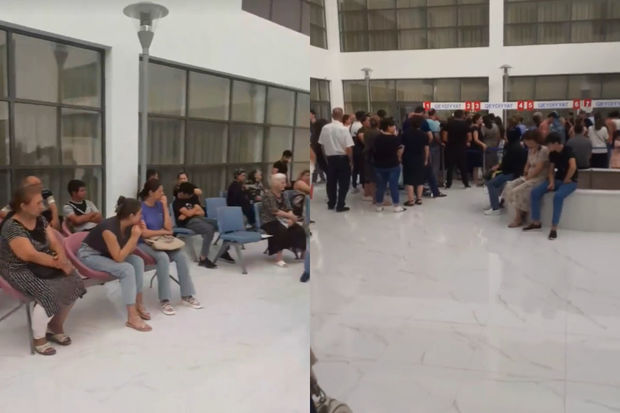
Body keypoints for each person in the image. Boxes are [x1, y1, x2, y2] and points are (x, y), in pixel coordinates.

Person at [0, 184, 86, 355]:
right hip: (17, 268)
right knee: (48, 292)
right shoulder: (12, 227)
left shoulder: (40, 219)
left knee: (74, 280)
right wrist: (59, 264)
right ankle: (39, 339)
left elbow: (54, 242)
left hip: (43, 261)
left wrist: (62, 258)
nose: (43, 206)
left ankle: (55, 326)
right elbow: (29, 255)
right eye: (38, 203)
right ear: (23, 206)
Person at [78, 196, 151, 332]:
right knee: (127, 269)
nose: (142, 216)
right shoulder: (109, 229)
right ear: (131, 216)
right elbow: (119, 258)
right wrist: (135, 237)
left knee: (138, 261)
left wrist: (137, 235)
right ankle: (132, 317)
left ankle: (138, 303)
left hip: (106, 252)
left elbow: (130, 251)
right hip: (89, 254)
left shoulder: (129, 225)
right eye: (140, 213)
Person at [138, 179, 202, 315]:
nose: (163, 194)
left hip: (161, 241)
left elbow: (169, 228)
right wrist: (163, 231)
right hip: (144, 243)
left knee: (181, 256)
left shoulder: (160, 205)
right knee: (163, 258)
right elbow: (144, 233)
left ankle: (187, 295)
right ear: (151, 192)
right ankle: (165, 300)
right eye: (160, 191)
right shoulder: (140, 208)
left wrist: (165, 207)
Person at [525, 132, 578, 240]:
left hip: (570, 181)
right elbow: (551, 170)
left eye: (549, 145)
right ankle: (536, 221)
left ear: (556, 143)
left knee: (558, 196)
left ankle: (554, 227)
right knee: (535, 192)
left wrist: (567, 178)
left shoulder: (568, 150)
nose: (547, 147)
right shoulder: (552, 154)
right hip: (557, 179)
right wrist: (551, 182)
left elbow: (573, 167)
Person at [173, 182, 233, 267]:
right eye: (189, 195)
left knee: (224, 224)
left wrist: (188, 213)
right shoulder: (177, 202)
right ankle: (203, 259)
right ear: (183, 193)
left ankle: (224, 251)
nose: (191, 196)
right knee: (209, 229)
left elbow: (202, 212)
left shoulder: (192, 197)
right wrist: (195, 209)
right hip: (188, 223)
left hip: (199, 218)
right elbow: (190, 214)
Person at [502, 129, 550, 228]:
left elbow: (539, 168)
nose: (527, 143)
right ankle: (520, 212)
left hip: (539, 178)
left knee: (518, 190)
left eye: (529, 141)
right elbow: (528, 163)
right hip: (528, 176)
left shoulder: (544, 150)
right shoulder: (530, 150)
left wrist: (528, 177)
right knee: (509, 185)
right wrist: (525, 172)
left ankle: (518, 218)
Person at [260, 173, 306, 267]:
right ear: (275, 183)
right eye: (282, 183)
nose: (285, 185)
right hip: (269, 221)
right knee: (280, 230)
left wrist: (292, 220)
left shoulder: (283, 194)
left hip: (283, 220)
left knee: (299, 229)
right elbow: (275, 211)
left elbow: (289, 208)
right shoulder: (268, 195)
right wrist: (291, 217)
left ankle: (302, 254)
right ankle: (279, 258)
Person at [484, 126, 527, 215]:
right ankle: (497, 202)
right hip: (509, 171)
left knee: (491, 184)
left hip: (512, 173)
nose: (504, 136)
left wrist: (497, 168)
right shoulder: (512, 145)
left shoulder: (514, 148)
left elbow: (508, 163)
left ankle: (495, 208)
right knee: (491, 180)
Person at [318, 107, 354, 212]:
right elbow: (348, 147)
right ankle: (340, 204)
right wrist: (351, 161)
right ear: (342, 116)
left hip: (330, 159)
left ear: (332, 115)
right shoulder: (344, 129)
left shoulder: (325, 128)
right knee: (344, 183)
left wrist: (326, 158)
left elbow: (322, 145)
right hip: (342, 159)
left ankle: (331, 203)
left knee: (331, 182)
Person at [371, 117, 406, 213]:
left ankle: (379, 205)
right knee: (393, 185)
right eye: (392, 125)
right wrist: (399, 158)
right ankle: (396, 206)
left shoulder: (377, 138)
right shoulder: (394, 139)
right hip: (393, 165)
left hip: (379, 165)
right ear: (388, 127)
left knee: (380, 186)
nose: (394, 127)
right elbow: (399, 150)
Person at [401, 116, 429, 206]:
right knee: (420, 179)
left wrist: (399, 157)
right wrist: (426, 159)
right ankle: (419, 199)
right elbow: (426, 148)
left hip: (408, 158)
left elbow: (402, 147)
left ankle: (411, 200)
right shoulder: (424, 134)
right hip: (420, 158)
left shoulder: (405, 134)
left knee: (409, 179)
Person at [445, 110, 471, 189]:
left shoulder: (449, 124)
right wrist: (466, 142)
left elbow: (445, 136)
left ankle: (448, 184)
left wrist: (448, 142)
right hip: (461, 147)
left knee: (450, 166)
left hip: (451, 147)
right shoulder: (465, 124)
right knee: (463, 166)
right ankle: (466, 183)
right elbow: (469, 137)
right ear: (462, 115)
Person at [362, 115, 381, 202]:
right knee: (378, 178)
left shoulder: (366, 132)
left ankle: (374, 198)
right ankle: (378, 198)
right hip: (375, 157)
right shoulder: (378, 133)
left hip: (367, 155)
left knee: (371, 178)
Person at [350, 111, 367, 193]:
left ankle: (354, 184)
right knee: (362, 168)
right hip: (360, 148)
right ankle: (363, 184)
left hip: (354, 147)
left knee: (356, 168)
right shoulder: (360, 126)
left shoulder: (353, 124)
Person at [468, 114, 486, 186]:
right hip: (476, 148)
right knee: (476, 165)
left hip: (475, 148)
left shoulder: (476, 127)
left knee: (476, 165)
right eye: (480, 119)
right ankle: (476, 180)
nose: (482, 120)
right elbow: (476, 139)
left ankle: (475, 180)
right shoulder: (475, 128)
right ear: (476, 120)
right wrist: (483, 144)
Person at [311, 119, 328, 184]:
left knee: (318, 167)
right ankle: (317, 179)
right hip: (320, 154)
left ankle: (316, 179)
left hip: (317, 154)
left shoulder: (314, 135)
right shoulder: (321, 135)